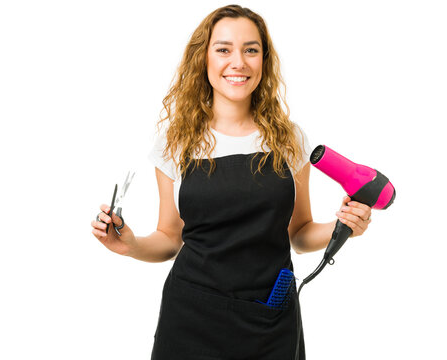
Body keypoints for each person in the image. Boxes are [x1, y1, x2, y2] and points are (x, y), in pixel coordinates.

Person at [91, 4, 372, 359]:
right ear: (203, 59)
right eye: (223, 49)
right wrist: (130, 244)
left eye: (250, 50)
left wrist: (342, 226)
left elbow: (299, 234)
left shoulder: (289, 140)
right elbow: (169, 238)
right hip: (191, 318)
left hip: (269, 319)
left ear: (263, 61)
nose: (237, 62)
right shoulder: (175, 142)